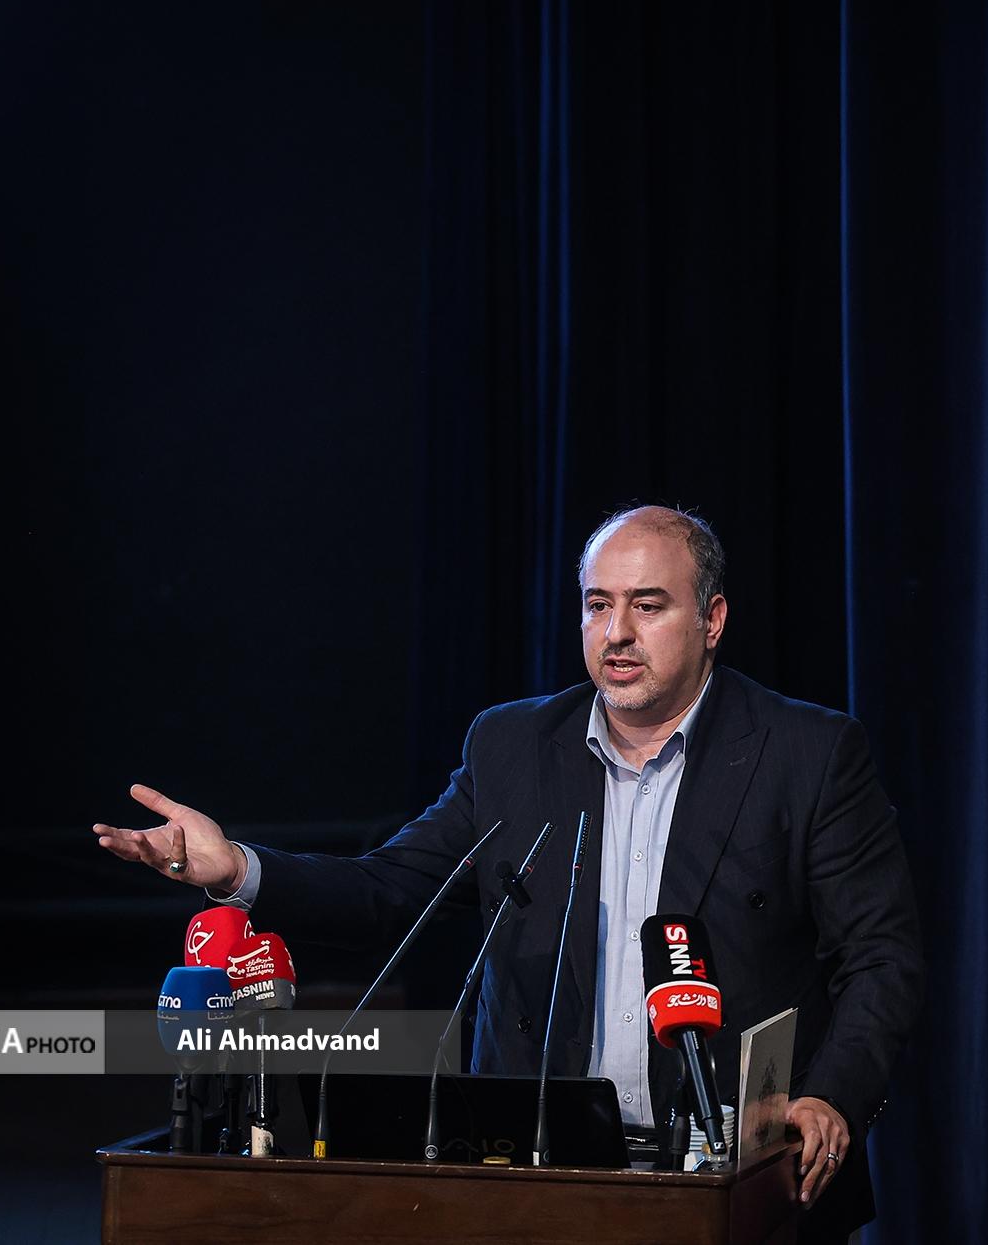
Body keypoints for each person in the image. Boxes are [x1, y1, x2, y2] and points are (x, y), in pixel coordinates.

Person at [95, 505, 923, 1239]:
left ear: (712, 619)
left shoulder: (807, 753)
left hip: (743, 1180)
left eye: (647, 605)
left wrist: (830, 1096)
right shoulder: (512, 748)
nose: (616, 632)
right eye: (597, 604)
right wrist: (237, 867)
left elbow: (881, 958)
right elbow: (390, 890)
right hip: (538, 1176)